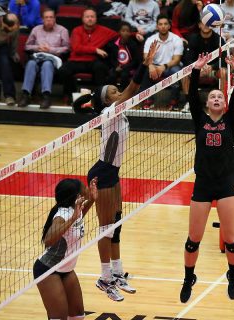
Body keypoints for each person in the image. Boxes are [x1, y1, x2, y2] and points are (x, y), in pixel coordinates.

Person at [73, 40, 159, 302]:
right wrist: (143, 65)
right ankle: (105, 277)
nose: (117, 90)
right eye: (112, 90)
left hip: (113, 171)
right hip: (103, 172)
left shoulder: (116, 111)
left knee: (116, 225)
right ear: (106, 99)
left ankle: (118, 271)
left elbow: (128, 91)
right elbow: (132, 89)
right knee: (106, 228)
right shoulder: (111, 110)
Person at [179, 53, 234, 303]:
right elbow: (192, 95)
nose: (217, 97)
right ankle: (188, 278)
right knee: (194, 239)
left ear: (225, 104)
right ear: (207, 104)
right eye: (213, 96)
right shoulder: (200, 120)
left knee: (231, 239)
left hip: (226, 184)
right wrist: (196, 70)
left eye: (220, 96)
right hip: (203, 184)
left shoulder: (230, 119)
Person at [33, 177, 98, 320]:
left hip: (66, 269)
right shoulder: (62, 216)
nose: (87, 189)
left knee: (78, 315)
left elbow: (78, 218)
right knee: (59, 317)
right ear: (77, 196)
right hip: (48, 270)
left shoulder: (75, 209)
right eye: (84, 188)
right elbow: (48, 240)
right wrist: (72, 218)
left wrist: (92, 199)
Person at [59, 8, 117, 104]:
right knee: (63, 70)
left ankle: (100, 97)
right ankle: (70, 94)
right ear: (83, 19)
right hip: (76, 60)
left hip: (92, 61)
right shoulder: (76, 30)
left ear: (96, 18)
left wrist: (135, 35)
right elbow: (76, 47)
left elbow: (120, 34)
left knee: (101, 68)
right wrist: (95, 49)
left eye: (92, 16)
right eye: (87, 17)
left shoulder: (104, 31)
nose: (90, 19)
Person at [18, 8, 69, 109]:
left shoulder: (62, 30)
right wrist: (38, 47)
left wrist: (51, 49)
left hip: (53, 59)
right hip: (37, 57)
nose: (49, 20)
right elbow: (27, 46)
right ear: (42, 19)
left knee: (47, 64)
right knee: (30, 64)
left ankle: (46, 96)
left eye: (51, 17)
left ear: (55, 19)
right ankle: (26, 95)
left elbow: (67, 48)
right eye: (46, 17)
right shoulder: (36, 29)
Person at [181, 19, 227, 113]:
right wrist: (198, 68)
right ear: (199, 25)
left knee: (223, 72)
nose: (206, 25)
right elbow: (187, 59)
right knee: (185, 73)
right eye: (203, 22)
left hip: (213, 70)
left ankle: (222, 103)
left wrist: (212, 67)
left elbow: (224, 59)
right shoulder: (193, 38)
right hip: (197, 70)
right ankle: (189, 102)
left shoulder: (219, 39)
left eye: (208, 23)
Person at [140, 15, 184, 111]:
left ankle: (174, 102)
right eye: (160, 24)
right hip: (155, 66)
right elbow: (145, 56)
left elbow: (176, 59)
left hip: (170, 66)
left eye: (165, 24)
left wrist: (164, 66)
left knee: (177, 71)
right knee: (145, 70)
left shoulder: (176, 39)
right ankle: (147, 100)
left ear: (169, 26)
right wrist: (151, 66)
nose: (163, 26)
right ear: (157, 26)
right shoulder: (150, 39)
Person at [106, 21, 142, 90]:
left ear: (130, 33)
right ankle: (112, 93)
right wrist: (116, 66)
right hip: (117, 66)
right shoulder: (114, 44)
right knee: (112, 75)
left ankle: (124, 95)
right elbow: (112, 59)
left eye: (128, 31)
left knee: (124, 75)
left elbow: (135, 60)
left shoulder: (133, 44)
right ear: (119, 32)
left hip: (128, 67)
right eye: (123, 31)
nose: (125, 33)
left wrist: (125, 67)